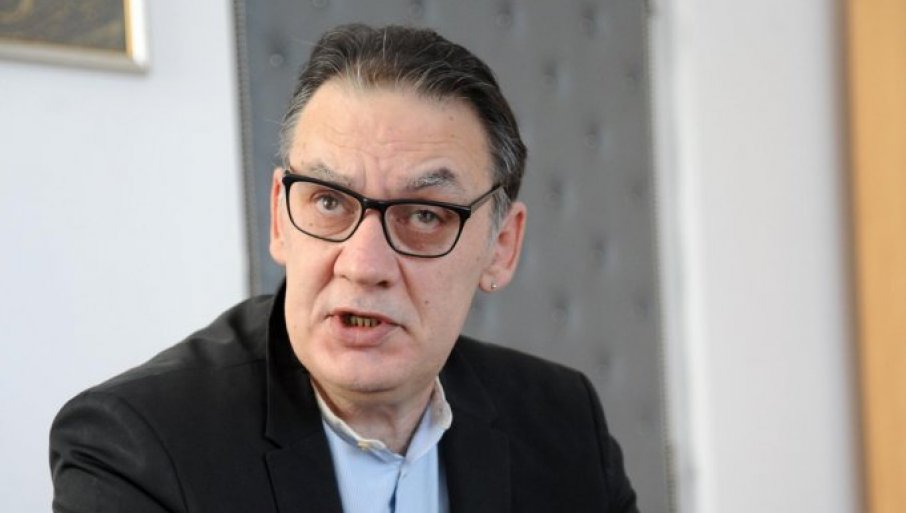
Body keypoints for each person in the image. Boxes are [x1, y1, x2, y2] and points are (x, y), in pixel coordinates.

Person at [50, 24, 639, 513]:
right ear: (280, 218)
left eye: (425, 215)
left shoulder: (563, 423)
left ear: (501, 247)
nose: (363, 265)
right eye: (329, 202)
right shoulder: (139, 446)